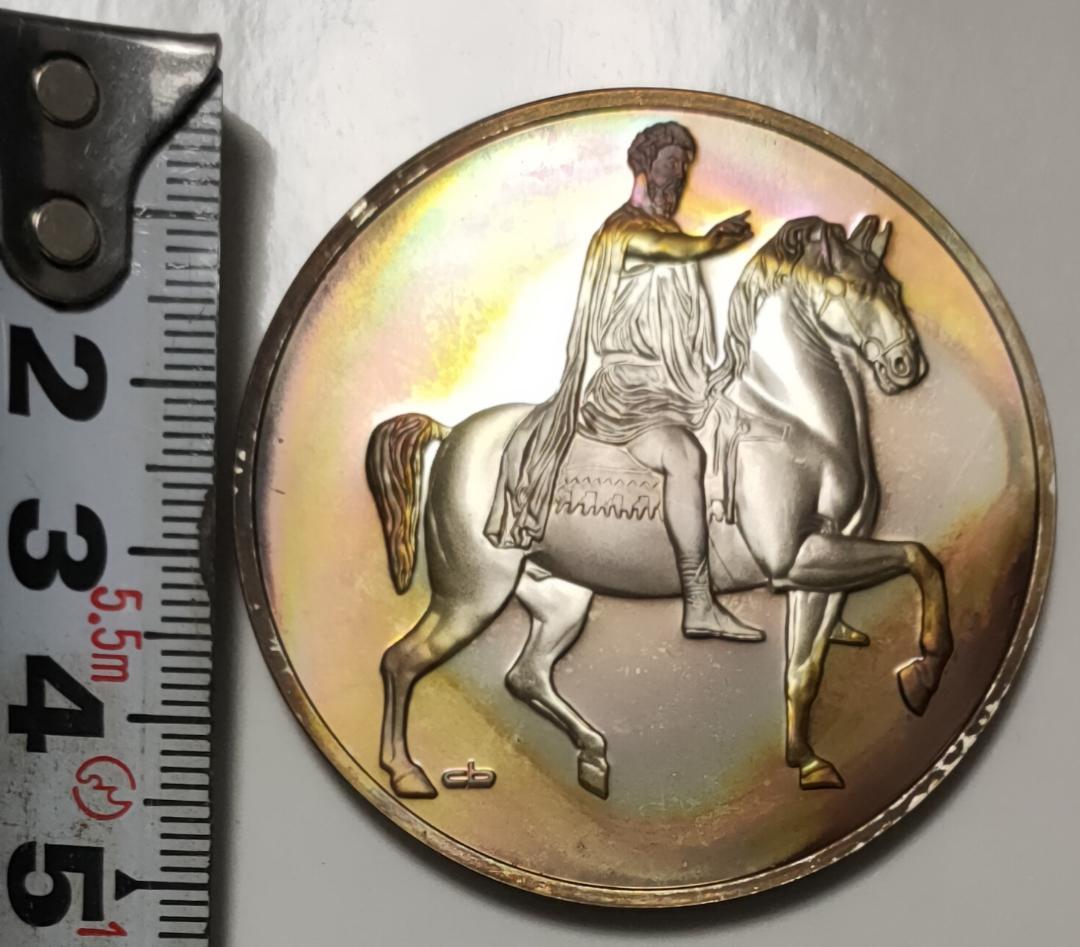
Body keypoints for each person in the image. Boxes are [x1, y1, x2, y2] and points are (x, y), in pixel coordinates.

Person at [485, 121, 760, 639]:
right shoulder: (624, 231)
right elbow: (663, 251)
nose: (681, 174)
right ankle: (699, 602)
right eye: (672, 162)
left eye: (685, 164)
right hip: (629, 393)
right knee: (684, 456)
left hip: (675, 385)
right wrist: (708, 243)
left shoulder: (664, 228)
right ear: (644, 165)